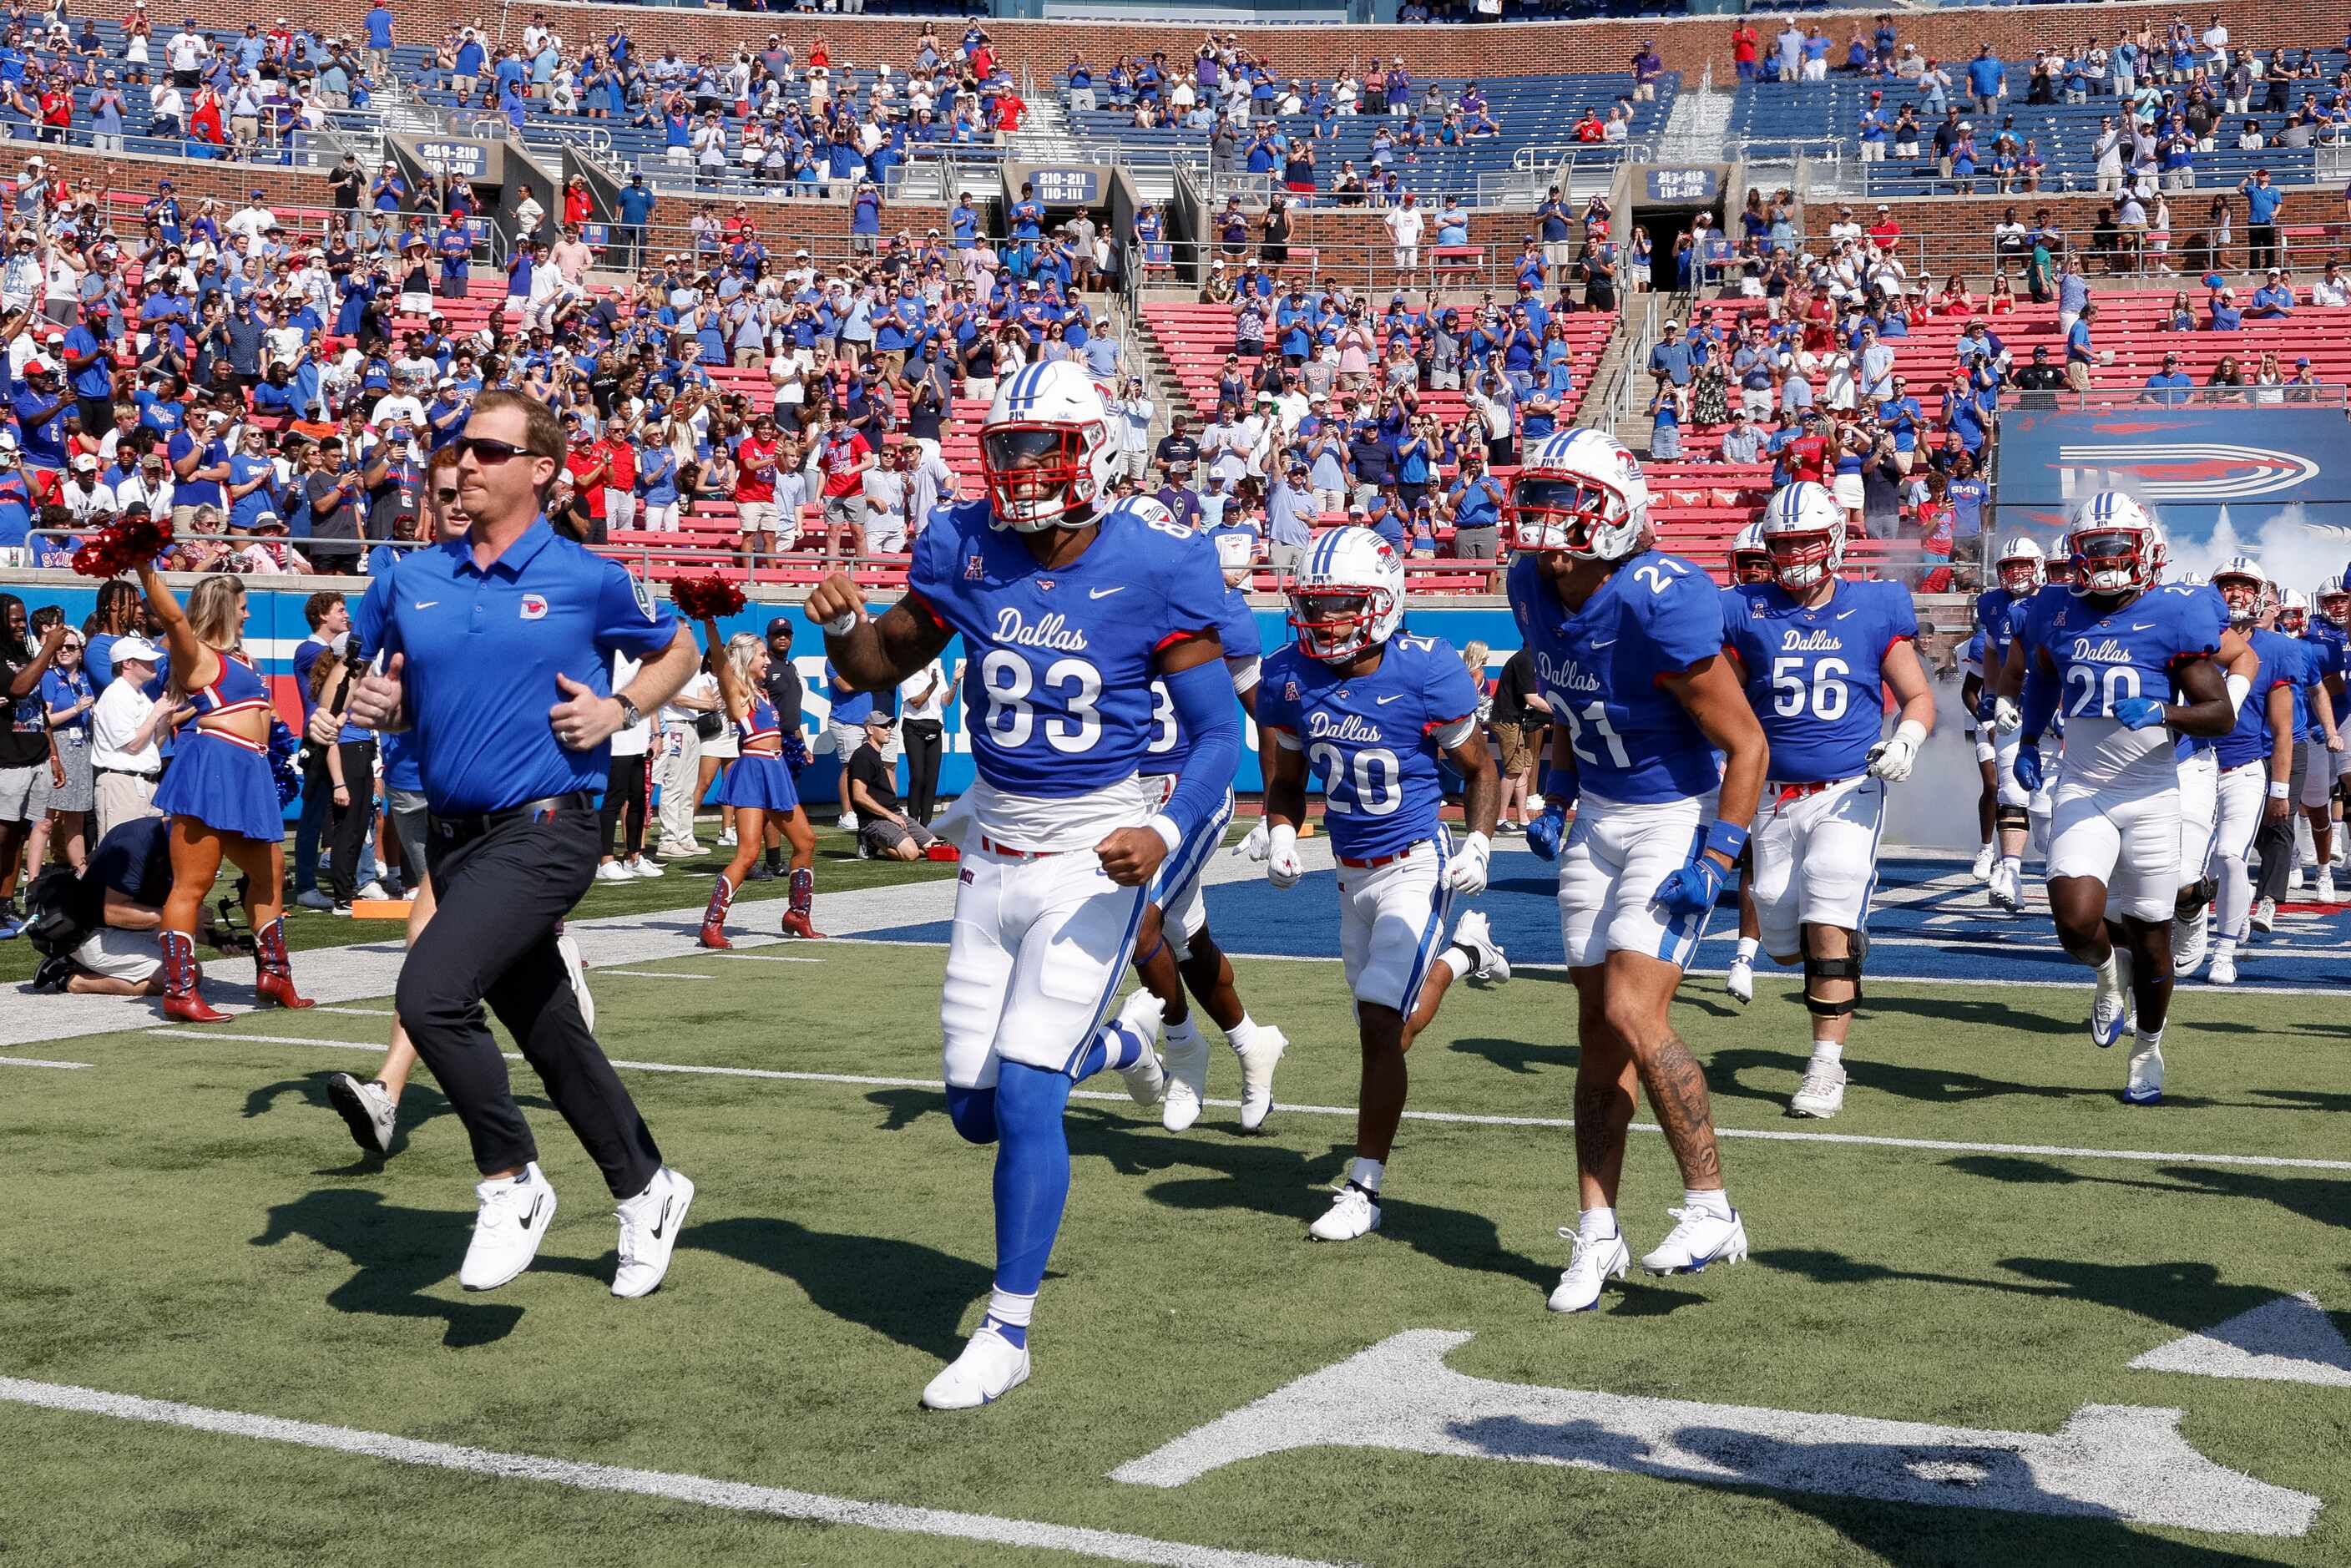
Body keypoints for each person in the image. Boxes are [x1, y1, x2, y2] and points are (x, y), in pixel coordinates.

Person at [803, 358, 1241, 1409]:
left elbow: (1220, 729)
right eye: (1005, 448)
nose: (1019, 470)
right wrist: (835, 627)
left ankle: (1006, 1329)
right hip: (989, 858)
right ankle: (1130, 1041)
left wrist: (1166, 823)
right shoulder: (962, 541)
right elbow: (873, 668)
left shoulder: (1160, 564)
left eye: (1040, 448)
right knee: (973, 1111)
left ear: (1094, 453)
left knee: (1033, 1090)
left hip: (1091, 856)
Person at [346, 389, 700, 1298]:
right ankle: (647, 1188)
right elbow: (388, 688)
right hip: (456, 837)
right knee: (550, 1035)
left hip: (548, 827)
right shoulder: (411, 578)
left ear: (539, 471)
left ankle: (510, 1179)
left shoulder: (587, 576)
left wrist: (620, 707)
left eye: (489, 452)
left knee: (428, 996)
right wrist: (380, 706)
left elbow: (683, 649)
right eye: (460, 449)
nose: (465, 464)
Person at [1508, 427, 1767, 1313]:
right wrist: (1552, 789)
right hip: (1598, 817)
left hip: (1671, 814)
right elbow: (1575, 705)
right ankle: (1595, 1233)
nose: (1544, 522)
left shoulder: (1659, 597)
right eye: (1538, 499)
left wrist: (1716, 857)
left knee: (1630, 1007)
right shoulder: (1527, 586)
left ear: (1614, 517)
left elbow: (1745, 743)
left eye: (1564, 503)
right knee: (1594, 1037)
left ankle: (1710, 1206)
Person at [1259, 527, 1510, 1241]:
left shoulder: (1426, 669)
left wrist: (1482, 842)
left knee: (1377, 1022)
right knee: (1386, 1032)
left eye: (1342, 604)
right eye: (1317, 604)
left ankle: (1363, 1188)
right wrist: (1281, 832)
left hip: (1414, 862)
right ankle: (1462, 955)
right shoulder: (1289, 675)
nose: (1326, 620)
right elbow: (1286, 782)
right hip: (1349, 873)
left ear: (1383, 602)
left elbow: (1482, 769)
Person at [2006, 494, 2237, 1104]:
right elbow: (2045, 675)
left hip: (2150, 792)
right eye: (2095, 549)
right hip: (2083, 784)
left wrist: (2166, 711)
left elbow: (2222, 714)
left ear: (2147, 550)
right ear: (2075, 554)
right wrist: (2029, 737)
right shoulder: (2054, 608)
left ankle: (2149, 1048)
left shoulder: (2175, 613)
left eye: (2118, 548)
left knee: (2153, 938)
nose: (2107, 561)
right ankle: (2110, 977)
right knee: (2076, 921)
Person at [1717, 483, 1936, 1120]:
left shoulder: (1873, 606)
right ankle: (1840, 947)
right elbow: (1720, 696)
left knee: (1827, 913)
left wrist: (1910, 739)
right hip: (1773, 797)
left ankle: (1824, 1067)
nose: (1795, 557)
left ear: (1835, 540)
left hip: (1847, 789)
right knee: (1785, 940)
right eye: (1783, 545)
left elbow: (1918, 696)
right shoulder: (1745, 608)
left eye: (1807, 542)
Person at [1119, 509, 1286, 1133]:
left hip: (1188, 785)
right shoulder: (1097, 596)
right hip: (1118, 791)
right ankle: (1249, 1042)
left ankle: (1182, 1049)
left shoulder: (1211, 606)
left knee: (1142, 920)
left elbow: (1263, 713)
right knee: (1186, 941)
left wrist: (1275, 811)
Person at [129, 570, 311, 1020]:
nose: (249, 613)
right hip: (212, 766)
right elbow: (172, 616)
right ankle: (180, 991)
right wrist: (141, 565)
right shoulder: (197, 655)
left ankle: (275, 973)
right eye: (244, 605)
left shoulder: (245, 660)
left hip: (250, 769)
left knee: (270, 874)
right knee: (194, 883)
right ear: (225, 608)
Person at [2195, 560, 2300, 987]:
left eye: (2244, 586)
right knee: (2192, 865)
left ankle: (2223, 952)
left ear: (2259, 595)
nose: (2235, 593)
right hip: (2193, 764)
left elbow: (2283, 728)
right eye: (2228, 585)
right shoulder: (2193, 636)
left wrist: (2280, 789)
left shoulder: (2275, 650)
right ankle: (2196, 932)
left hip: (2242, 768)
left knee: (2230, 856)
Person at [696, 623, 822, 948]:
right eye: (762, 655)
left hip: (776, 769)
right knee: (749, 853)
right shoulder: (736, 689)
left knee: (806, 841)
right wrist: (709, 622)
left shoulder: (763, 693)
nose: (768, 660)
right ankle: (712, 924)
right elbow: (722, 663)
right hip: (754, 769)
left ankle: (798, 913)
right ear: (746, 657)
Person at [26, 814, 246, 995]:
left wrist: (218, 939)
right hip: (93, 931)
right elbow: (112, 912)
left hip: (129, 927)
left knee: (182, 948)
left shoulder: (176, 841)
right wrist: (186, 914)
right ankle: (72, 979)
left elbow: (175, 913)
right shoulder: (135, 843)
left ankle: (82, 965)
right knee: (186, 974)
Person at [1974, 537, 2046, 913]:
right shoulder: (1992, 605)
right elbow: (1990, 650)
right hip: (2013, 707)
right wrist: (1992, 694)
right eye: (2009, 565)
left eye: (2023, 564)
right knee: (2010, 791)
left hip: (2053, 712)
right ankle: (2010, 873)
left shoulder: (2055, 600)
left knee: (2048, 817)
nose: (2016, 572)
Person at [0, 596, 68, 937]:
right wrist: (48, 649)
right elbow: (19, 686)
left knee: (19, 835)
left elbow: (39, 709)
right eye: (13, 619)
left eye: (22, 619)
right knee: (2, 834)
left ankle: (5, 901)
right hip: (7, 758)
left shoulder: (23, 654)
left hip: (36, 754)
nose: (19, 624)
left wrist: (53, 754)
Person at [88, 633, 172, 838]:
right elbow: (132, 745)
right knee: (119, 853)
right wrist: (156, 714)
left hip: (147, 783)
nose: (153, 663)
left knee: (147, 856)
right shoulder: (115, 695)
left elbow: (153, 746)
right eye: (146, 660)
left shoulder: (141, 697)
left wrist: (166, 716)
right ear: (127, 663)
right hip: (121, 785)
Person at [847, 708, 936, 860]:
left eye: (890, 725)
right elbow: (859, 796)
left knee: (935, 848)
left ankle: (902, 841)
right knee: (911, 854)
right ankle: (869, 838)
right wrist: (889, 815)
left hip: (894, 813)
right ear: (870, 729)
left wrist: (894, 815)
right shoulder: (862, 756)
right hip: (874, 819)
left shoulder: (875, 754)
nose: (888, 729)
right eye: (883, 726)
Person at [898, 656, 948, 826]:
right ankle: (913, 821)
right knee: (918, 776)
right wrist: (933, 684)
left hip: (935, 727)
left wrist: (955, 682)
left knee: (932, 778)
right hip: (914, 727)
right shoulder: (907, 670)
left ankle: (926, 825)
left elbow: (946, 700)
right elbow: (916, 702)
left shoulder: (937, 669)